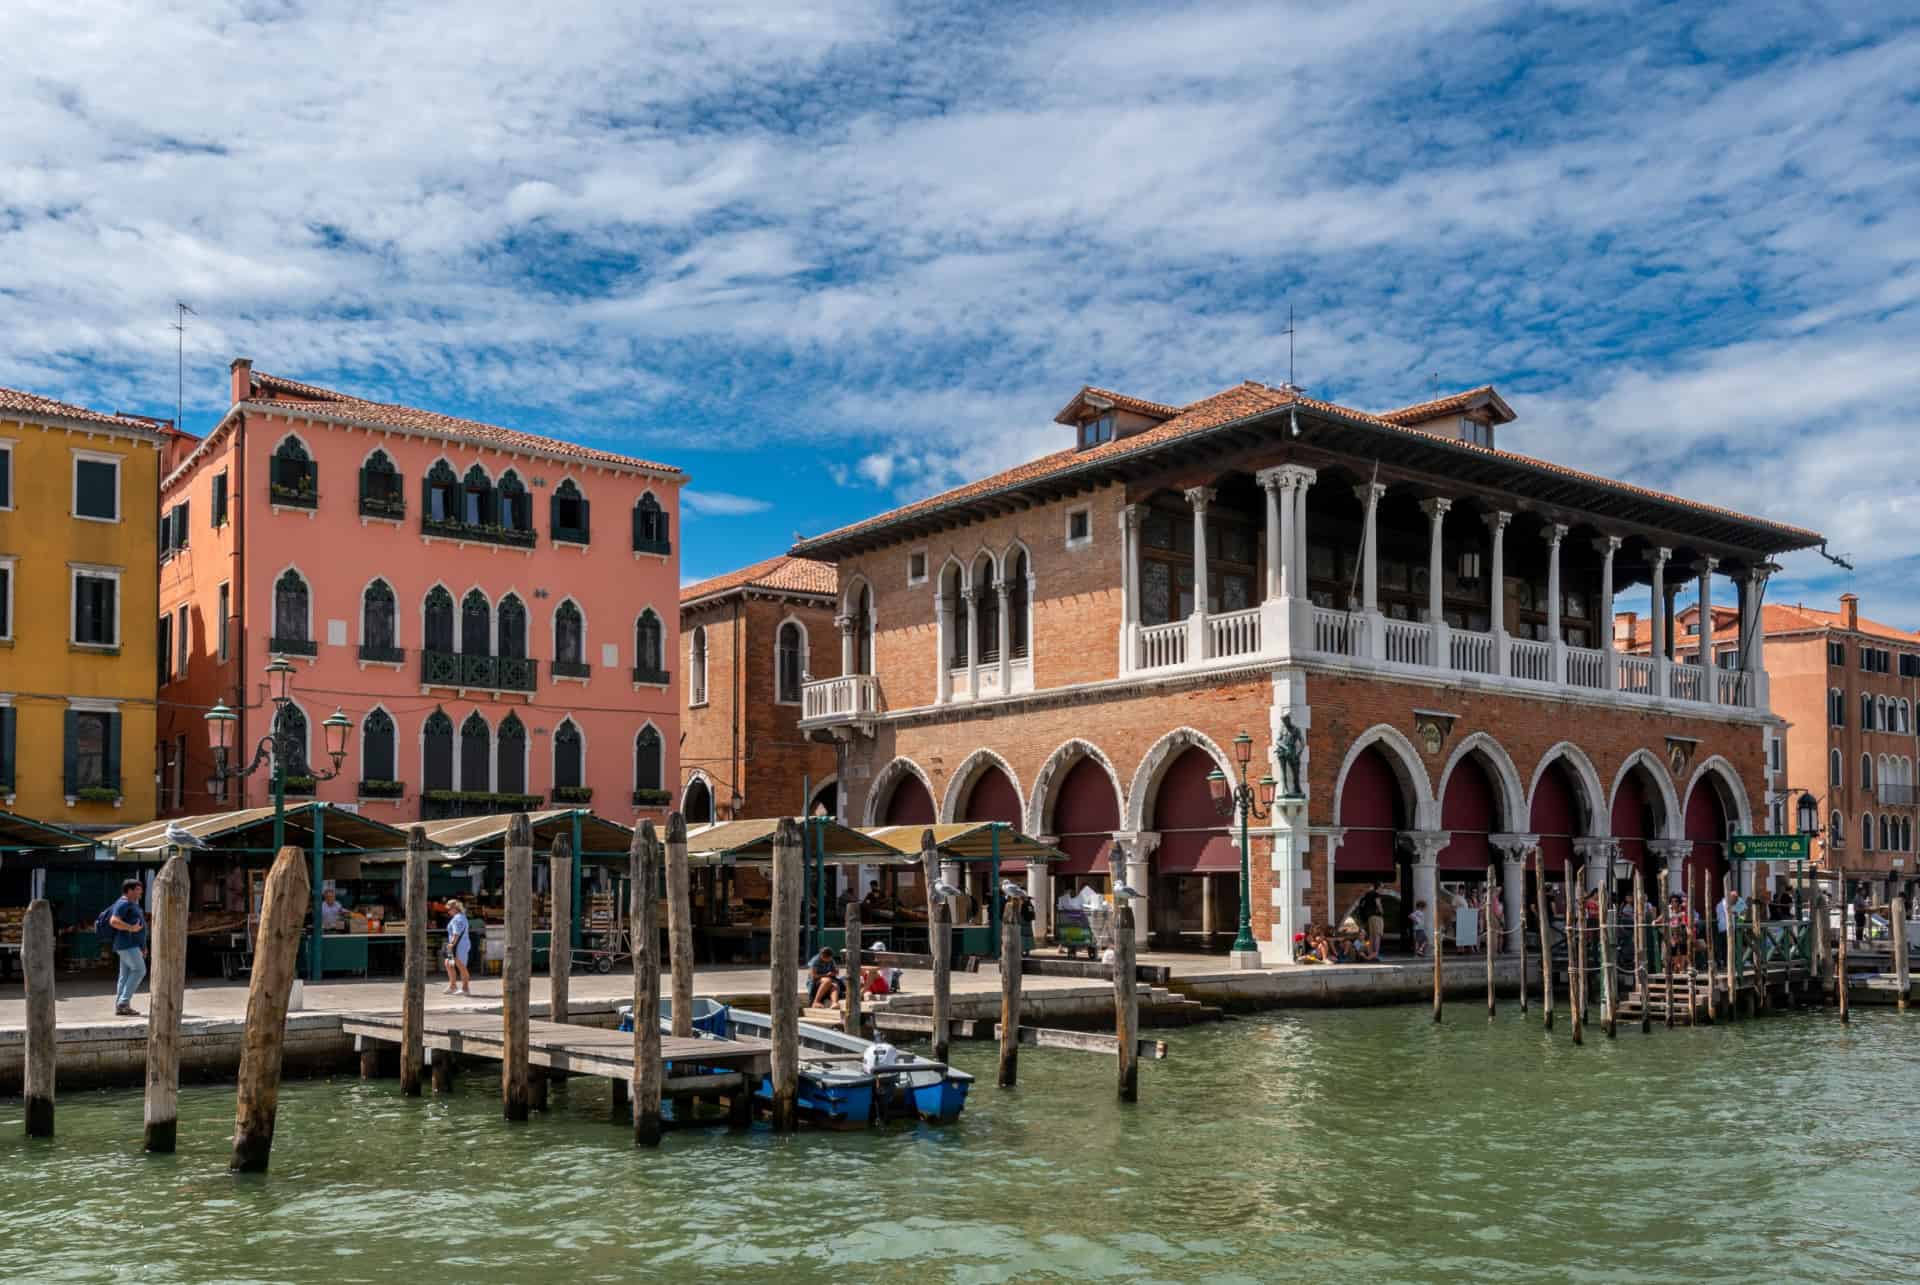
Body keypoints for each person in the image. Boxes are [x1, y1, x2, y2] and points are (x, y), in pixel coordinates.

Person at [106, 878, 148, 1016]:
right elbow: (114, 921)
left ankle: (121, 1005)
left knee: (124, 976)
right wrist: (131, 928)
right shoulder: (123, 903)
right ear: (129, 891)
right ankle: (123, 1002)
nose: (140, 893)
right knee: (139, 970)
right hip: (127, 944)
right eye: (137, 890)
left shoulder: (131, 903)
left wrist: (143, 946)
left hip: (130, 945)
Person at [443, 899, 473, 996]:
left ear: (455, 908)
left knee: (461, 966)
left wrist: (451, 944)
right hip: (456, 945)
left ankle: (465, 988)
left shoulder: (458, 918)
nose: (448, 912)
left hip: (458, 945)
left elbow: (457, 933)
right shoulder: (459, 917)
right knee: (449, 963)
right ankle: (453, 986)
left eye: (449, 909)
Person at [1355, 882, 1386, 957]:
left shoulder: (1368, 894)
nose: (1383, 889)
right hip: (1377, 917)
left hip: (1370, 917)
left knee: (1372, 936)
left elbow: (1362, 903)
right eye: (1382, 887)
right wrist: (1382, 911)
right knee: (1378, 935)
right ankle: (1376, 953)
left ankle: (1371, 952)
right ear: (1378, 887)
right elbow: (1378, 904)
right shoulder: (1376, 894)